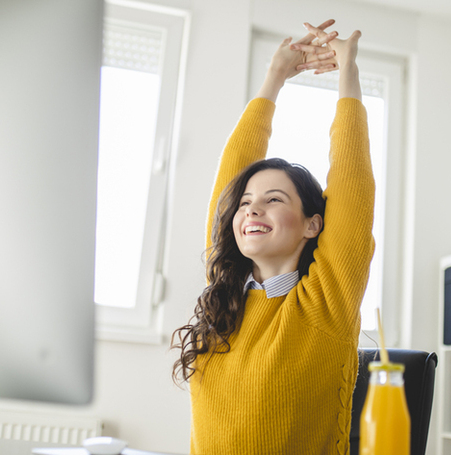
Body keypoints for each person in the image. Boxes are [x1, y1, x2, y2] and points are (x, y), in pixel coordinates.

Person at [172, 20, 375, 455]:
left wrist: (347, 72)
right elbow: (233, 178)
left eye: (274, 199)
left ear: (312, 225)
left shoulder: (326, 302)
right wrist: (274, 76)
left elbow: (353, 183)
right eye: (245, 203)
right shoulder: (224, 295)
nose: (251, 210)